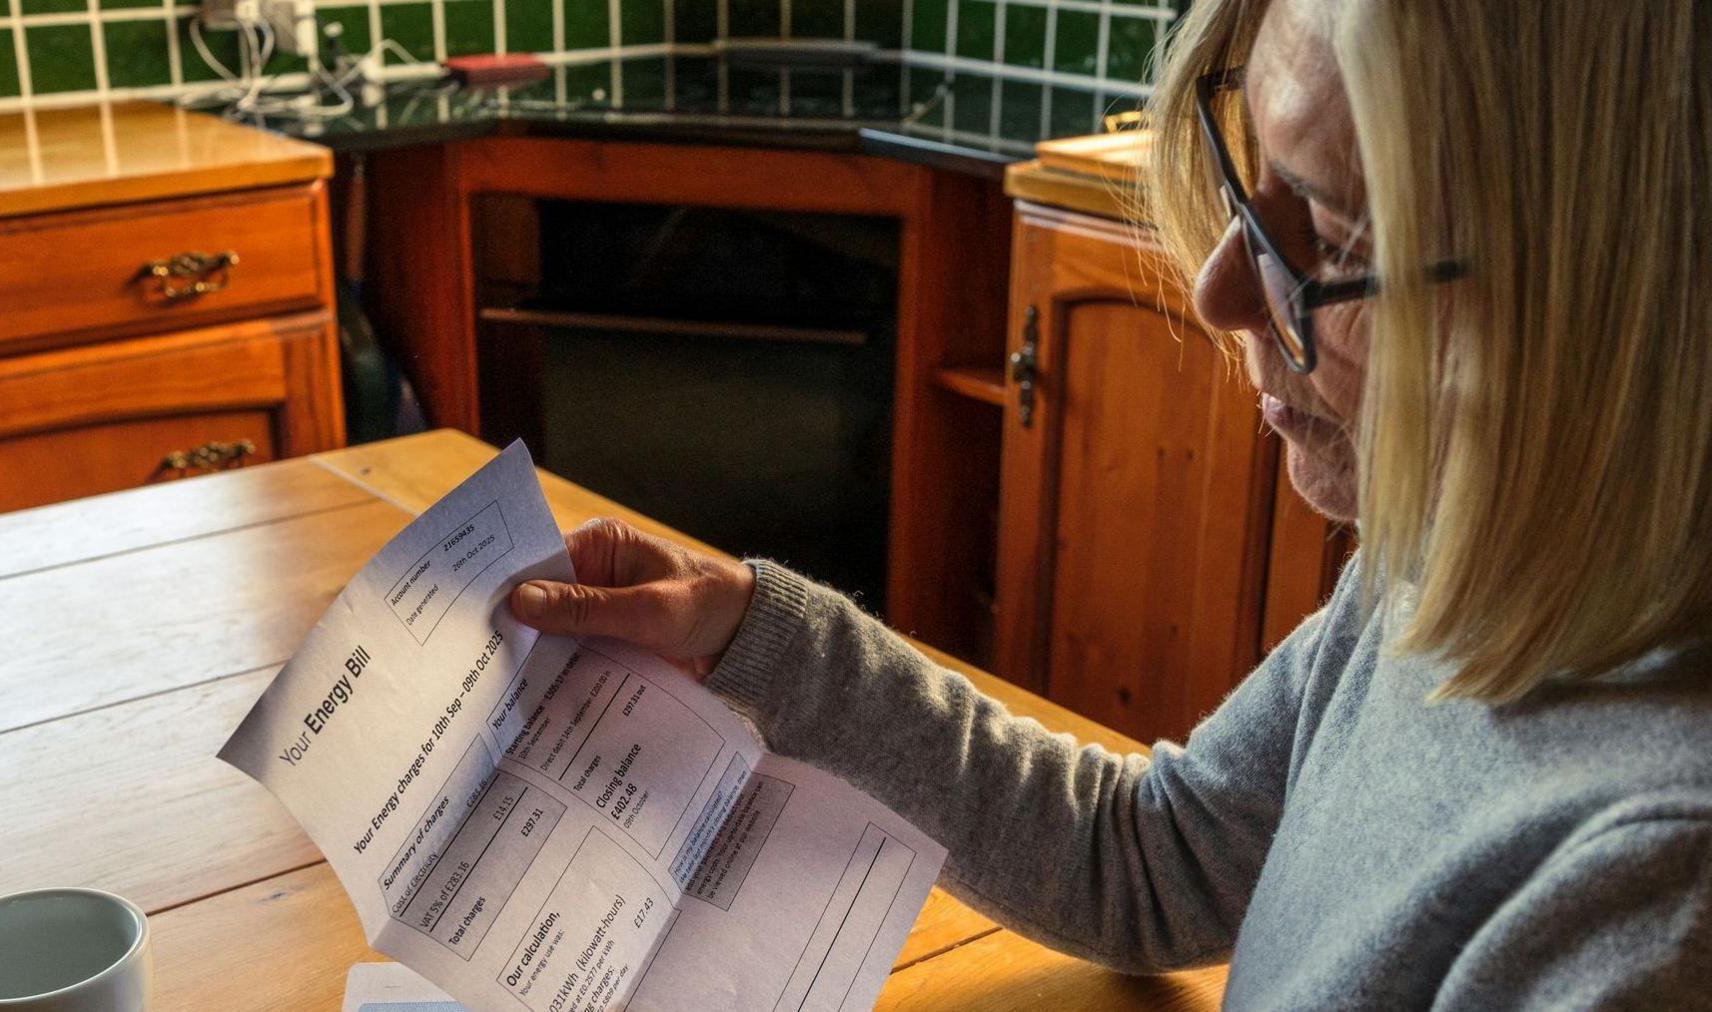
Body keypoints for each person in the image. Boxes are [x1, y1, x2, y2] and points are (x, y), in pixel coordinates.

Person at [510, 0, 1712, 1005]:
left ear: (1601, 299)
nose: (1218, 290)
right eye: (1258, 183)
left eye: (1328, 234)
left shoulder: (1649, 903)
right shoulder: (1453, 562)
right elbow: (1150, 857)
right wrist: (752, 634)